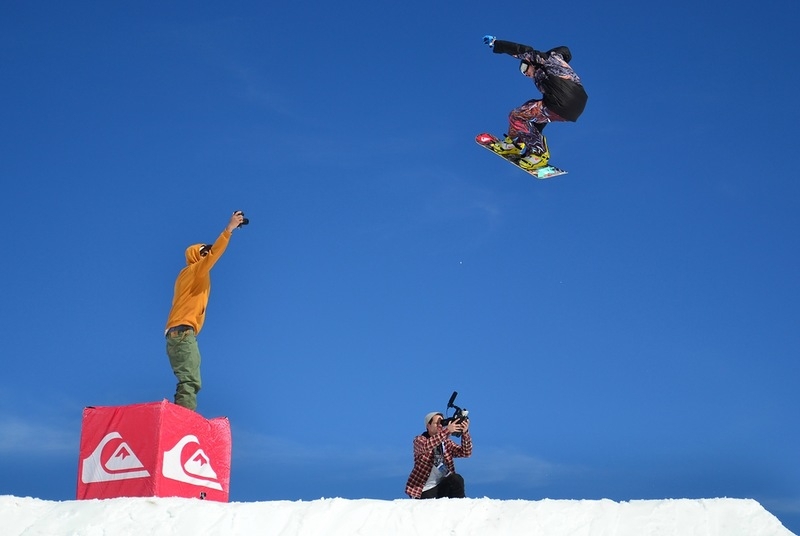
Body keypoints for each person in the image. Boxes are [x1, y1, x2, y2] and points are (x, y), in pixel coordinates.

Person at [164, 211, 246, 411]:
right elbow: (213, 255)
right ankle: (183, 421)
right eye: (203, 252)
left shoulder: (188, 276)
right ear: (195, 256)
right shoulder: (195, 271)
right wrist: (229, 229)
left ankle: (180, 414)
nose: (207, 255)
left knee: (189, 378)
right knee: (190, 380)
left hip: (179, 334)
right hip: (183, 333)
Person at [483, 35, 588, 170]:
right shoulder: (556, 61)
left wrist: (497, 44)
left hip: (563, 100)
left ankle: (539, 153)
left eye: (524, 68)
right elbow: (565, 50)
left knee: (516, 116)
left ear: (530, 62)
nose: (525, 74)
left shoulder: (542, 60)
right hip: (574, 104)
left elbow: (522, 50)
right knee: (528, 109)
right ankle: (516, 143)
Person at [405, 411, 472, 499]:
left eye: (442, 423)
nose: (440, 425)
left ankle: (461, 506)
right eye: (437, 423)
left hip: (442, 485)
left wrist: (465, 432)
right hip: (424, 489)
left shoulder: (446, 443)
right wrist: (447, 431)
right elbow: (427, 446)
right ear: (428, 426)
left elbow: (466, 452)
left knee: (456, 479)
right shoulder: (419, 440)